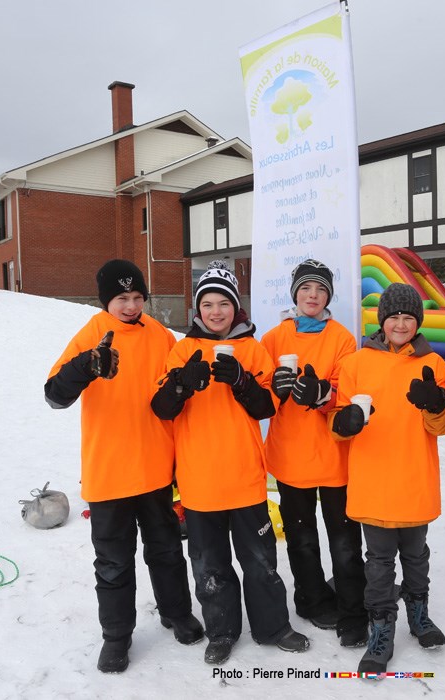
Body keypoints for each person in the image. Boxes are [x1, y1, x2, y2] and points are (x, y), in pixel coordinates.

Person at [44, 258, 203, 674]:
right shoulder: (93, 334)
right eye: (121, 298)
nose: (131, 306)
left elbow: (175, 387)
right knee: (113, 563)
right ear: (106, 301)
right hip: (109, 473)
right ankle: (116, 636)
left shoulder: (159, 334)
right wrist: (85, 366)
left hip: (155, 468)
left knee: (166, 551)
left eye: (137, 297)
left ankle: (176, 612)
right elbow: (54, 396)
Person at [150, 260, 309, 665]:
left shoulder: (253, 350)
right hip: (199, 482)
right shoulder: (182, 350)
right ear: (197, 308)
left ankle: (273, 627)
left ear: (236, 307)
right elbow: (162, 408)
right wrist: (182, 383)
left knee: (261, 562)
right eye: (207, 304)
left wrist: (241, 380)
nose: (215, 311)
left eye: (224, 303)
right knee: (210, 565)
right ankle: (221, 632)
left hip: (245, 479)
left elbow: (266, 406)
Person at [329, 283, 445, 675]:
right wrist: (346, 422)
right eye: (394, 316)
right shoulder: (356, 363)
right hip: (373, 480)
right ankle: (381, 628)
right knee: (379, 561)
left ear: (418, 322)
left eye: (408, 317)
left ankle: (419, 614)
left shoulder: (434, 363)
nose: (400, 324)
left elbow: (442, 427)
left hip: (414, 476)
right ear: (381, 321)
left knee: (416, 555)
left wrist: (436, 405)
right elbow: (336, 426)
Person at [261, 259, 367, 647]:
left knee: (344, 539)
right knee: (301, 538)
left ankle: (353, 604)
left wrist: (322, 394)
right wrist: (277, 388)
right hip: (291, 456)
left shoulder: (342, 338)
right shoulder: (273, 339)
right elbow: (261, 394)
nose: (313, 295)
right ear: (295, 294)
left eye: (321, 289)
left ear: (329, 297)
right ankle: (311, 599)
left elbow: (346, 390)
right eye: (306, 288)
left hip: (334, 454)